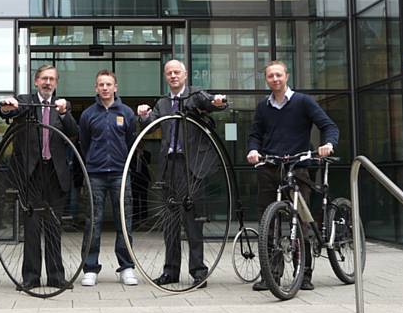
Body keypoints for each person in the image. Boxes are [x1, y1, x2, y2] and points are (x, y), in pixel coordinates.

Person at [246, 60, 339, 292]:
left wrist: (328, 143)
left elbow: (329, 126)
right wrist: (253, 149)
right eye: (270, 76)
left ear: (286, 76)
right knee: (269, 224)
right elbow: (255, 134)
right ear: (266, 79)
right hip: (270, 167)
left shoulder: (303, 102)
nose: (275, 79)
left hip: (298, 167)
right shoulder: (263, 106)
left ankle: (304, 273)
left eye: (278, 75)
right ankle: (271, 275)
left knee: (301, 221)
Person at [137, 59, 226, 288]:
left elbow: (209, 102)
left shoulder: (194, 95)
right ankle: (171, 271)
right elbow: (152, 124)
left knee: (192, 222)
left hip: (191, 167)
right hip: (169, 166)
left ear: (185, 75)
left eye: (177, 72)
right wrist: (144, 115)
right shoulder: (163, 103)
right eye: (169, 73)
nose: (173, 76)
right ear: (166, 77)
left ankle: (198, 271)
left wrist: (217, 102)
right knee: (170, 223)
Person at [0, 64, 78, 290]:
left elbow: (74, 132)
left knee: (53, 225)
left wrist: (65, 113)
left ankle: (56, 277)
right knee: (32, 226)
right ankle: (31, 278)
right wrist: (6, 106)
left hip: (55, 173)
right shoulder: (26, 101)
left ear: (56, 83)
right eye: (44, 78)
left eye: (52, 79)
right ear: (36, 81)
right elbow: (8, 112)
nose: (48, 83)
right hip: (31, 174)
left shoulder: (61, 106)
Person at [79, 70, 138, 286]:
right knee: (93, 223)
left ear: (116, 87)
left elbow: (131, 142)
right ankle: (90, 268)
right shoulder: (87, 115)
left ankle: (127, 267)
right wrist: (92, 162)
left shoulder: (127, 113)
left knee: (125, 222)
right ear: (96, 88)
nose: (105, 88)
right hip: (95, 174)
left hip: (121, 174)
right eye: (101, 84)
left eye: (108, 84)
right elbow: (83, 143)